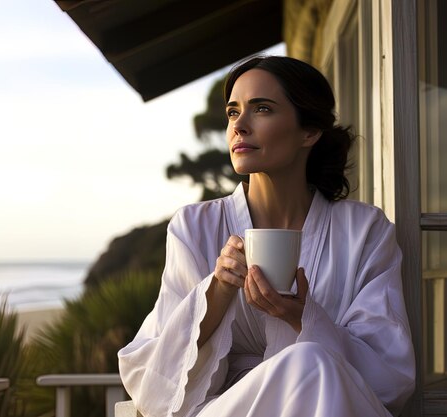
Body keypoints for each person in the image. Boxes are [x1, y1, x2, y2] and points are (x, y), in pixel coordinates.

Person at [117, 55, 415, 417]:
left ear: (309, 132)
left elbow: (391, 377)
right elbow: (151, 380)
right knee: (310, 361)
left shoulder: (363, 231)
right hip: (225, 408)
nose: (239, 126)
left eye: (261, 109)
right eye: (232, 112)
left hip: (332, 400)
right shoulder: (194, 227)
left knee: (311, 361)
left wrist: (304, 319)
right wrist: (218, 289)